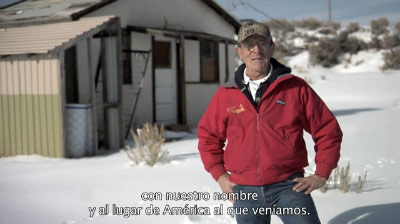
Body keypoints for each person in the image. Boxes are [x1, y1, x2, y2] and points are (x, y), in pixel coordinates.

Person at [197, 21, 343, 224]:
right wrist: (220, 175)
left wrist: (321, 174)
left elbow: (328, 130)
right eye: (249, 45)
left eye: (262, 43)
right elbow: (208, 138)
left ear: (271, 48)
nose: (256, 50)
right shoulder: (227, 94)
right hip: (244, 190)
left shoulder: (295, 88)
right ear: (240, 51)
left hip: (289, 186)